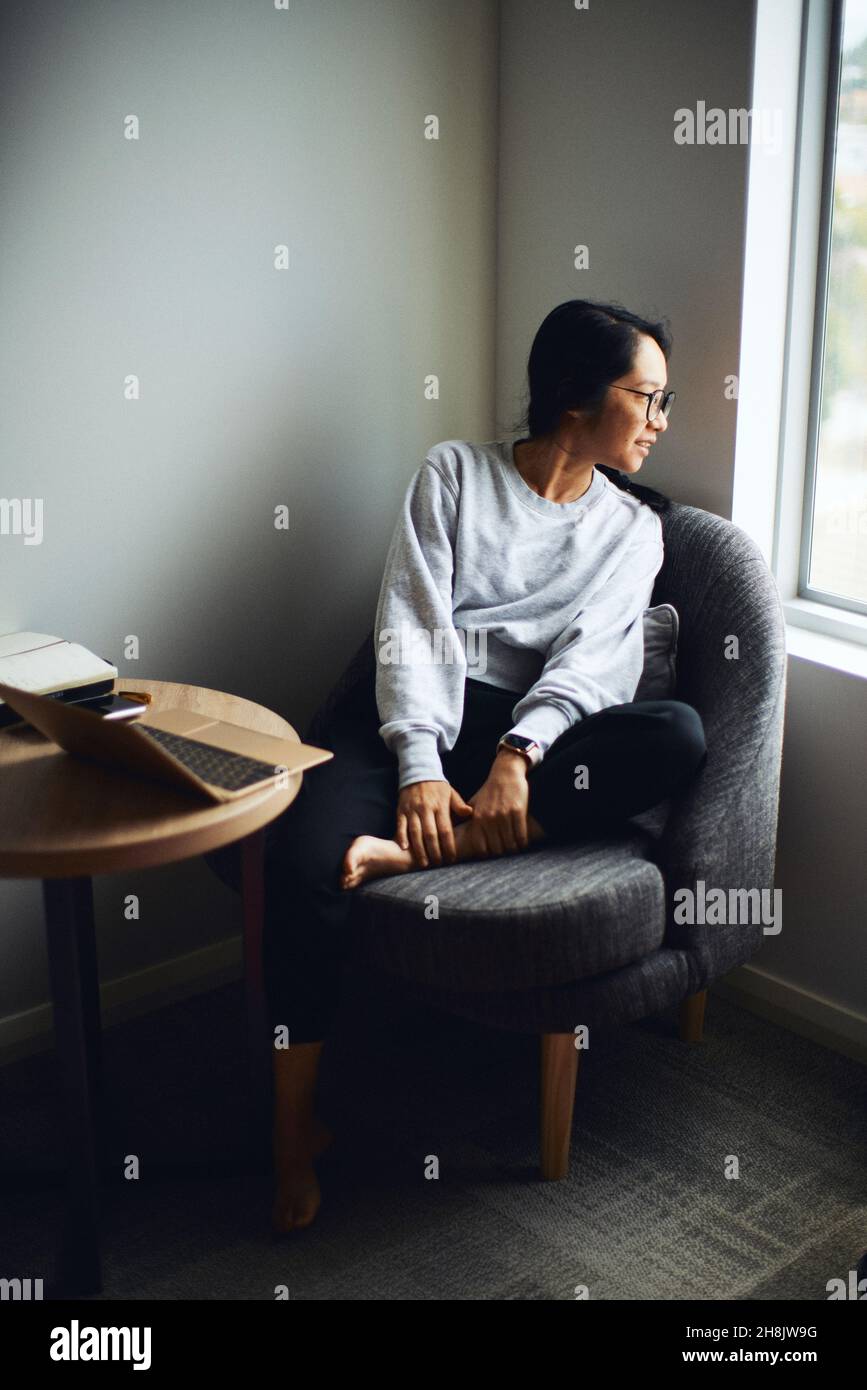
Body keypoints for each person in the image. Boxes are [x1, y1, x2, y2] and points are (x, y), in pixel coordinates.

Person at [265, 298, 708, 1234]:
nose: (662, 422)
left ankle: (420, 856)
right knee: (296, 855)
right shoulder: (456, 473)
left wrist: (520, 751)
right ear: (577, 397)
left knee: (674, 734)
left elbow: (595, 658)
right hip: (413, 711)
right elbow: (412, 623)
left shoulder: (635, 530)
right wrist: (420, 765)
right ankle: (294, 1131)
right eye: (649, 397)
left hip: (530, 737)